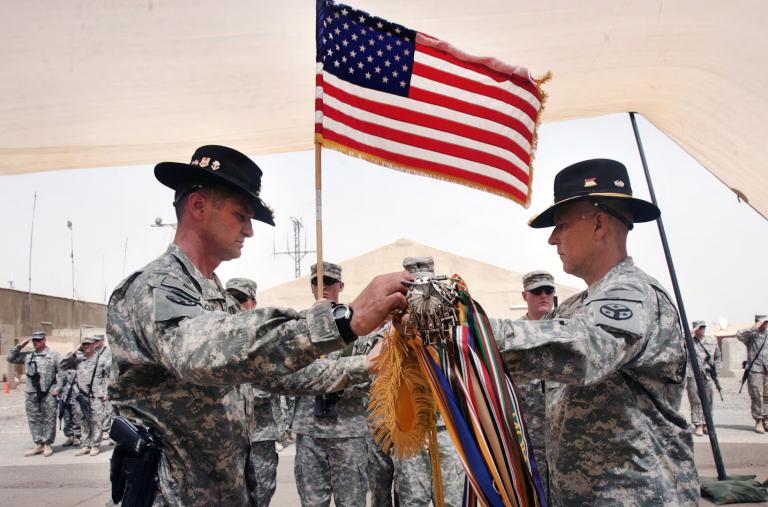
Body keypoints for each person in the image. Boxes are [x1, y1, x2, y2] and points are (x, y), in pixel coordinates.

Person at [107, 145, 410, 506]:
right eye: (240, 215)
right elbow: (200, 354)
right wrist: (343, 321)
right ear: (199, 207)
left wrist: (367, 365)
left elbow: (279, 375)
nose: (249, 230)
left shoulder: (217, 299)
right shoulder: (154, 287)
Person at [491, 159, 698, 505]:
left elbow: (584, 349)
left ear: (599, 224)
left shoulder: (635, 293)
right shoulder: (574, 308)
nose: (553, 238)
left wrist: (468, 328)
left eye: (561, 224)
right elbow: (532, 351)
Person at [285, 261, 370, 507]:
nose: (323, 288)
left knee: (352, 502)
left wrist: (339, 382)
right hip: (309, 431)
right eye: (317, 282)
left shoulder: (357, 326)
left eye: (329, 283)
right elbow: (288, 376)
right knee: (312, 502)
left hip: (348, 431)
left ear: (340, 286)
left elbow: (371, 375)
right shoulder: (298, 326)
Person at [226, 277, 280, 507]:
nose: (235, 304)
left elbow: (274, 383)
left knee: (261, 492)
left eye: (240, 299)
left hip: (260, 434)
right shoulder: (220, 338)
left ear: (253, 302)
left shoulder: (264, 338)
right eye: (230, 299)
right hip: (228, 438)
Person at [516, 270, 556, 500]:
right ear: (525, 296)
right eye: (537, 291)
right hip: (528, 436)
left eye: (548, 291)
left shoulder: (565, 329)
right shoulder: (513, 335)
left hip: (563, 438)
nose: (543, 296)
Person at [6, 330, 61, 457]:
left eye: (39, 340)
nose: (36, 342)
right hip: (32, 393)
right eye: (34, 340)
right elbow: (10, 358)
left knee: (49, 418)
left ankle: (47, 444)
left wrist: (58, 388)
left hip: (48, 393)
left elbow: (63, 373)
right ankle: (38, 444)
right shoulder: (28, 356)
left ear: (44, 340)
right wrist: (20, 346)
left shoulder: (54, 355)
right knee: (33, 419)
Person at [64, 336, 111, 457]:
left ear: (94, 345)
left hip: (96, 395)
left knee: (96, 421)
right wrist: (75, 350)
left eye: (88, 344)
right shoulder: (79, 360)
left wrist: (106, 393)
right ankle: (85, 445)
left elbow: (108, 377)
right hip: (81, 395)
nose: (86, 347)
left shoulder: (101, 360)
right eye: (84, 345)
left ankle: (95, 445)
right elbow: (63, 363)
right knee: (83, 421)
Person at [686, 320, 721, 436]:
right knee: (695, 400)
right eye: (699, 328)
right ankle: (698, 425)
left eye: (703, 327)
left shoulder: (712, 340)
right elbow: (677, 340)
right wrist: (691, 332)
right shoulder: (689, 341)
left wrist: (716, 371)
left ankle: (707, 424)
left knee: (709, 399)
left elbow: (717, 357)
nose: (701, 330)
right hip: (692, 374)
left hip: (708, 375)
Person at [737, 314, 768, 433]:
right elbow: (738, 334)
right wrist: (755, 327)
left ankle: (766, 419)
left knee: (767, 396)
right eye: (763, 322)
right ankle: (758, 420)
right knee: (756, 395)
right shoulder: (751, 336)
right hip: (755, 369)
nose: (766, 324)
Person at [54, 359, 83, 448]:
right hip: (65, 398)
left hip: (75, 397)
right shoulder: (61, 372)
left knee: (76, 417)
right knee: (66, 417)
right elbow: (59, 384)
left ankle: (77, 436)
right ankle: (70, 436)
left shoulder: (79, 371)